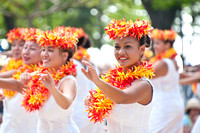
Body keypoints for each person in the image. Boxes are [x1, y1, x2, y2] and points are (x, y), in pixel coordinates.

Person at [82, 18, 154, 133]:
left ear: (141, 50)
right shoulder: (113, 82)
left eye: (127, 46)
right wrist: (92, 100)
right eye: (117, 47)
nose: (120, 52)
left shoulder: (144, 84)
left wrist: (98, 81)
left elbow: (122, 98)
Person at [21, 29, 80, 133]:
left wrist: (52, 88)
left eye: (50, 50)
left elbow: (66, 104)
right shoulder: (42, 76)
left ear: (64, 56)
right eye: (43, 49)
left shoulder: (68, 81)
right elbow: (23, 80)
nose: (44, 54)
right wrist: (25, 78)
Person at [0, 28, 40, 133]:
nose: (24, 51)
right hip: (9, 127)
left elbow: (17, 85)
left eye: (32, 48)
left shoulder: (43, 75)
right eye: (25, 47)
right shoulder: (17, 70)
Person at [149, 29, 184, 133]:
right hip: (173, 105)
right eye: (154, 43)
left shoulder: (163, 63)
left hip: (164, 108)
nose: (154, 46)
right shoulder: (174, 61)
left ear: (167, 45)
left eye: (157, 43)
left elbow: (141, 75)